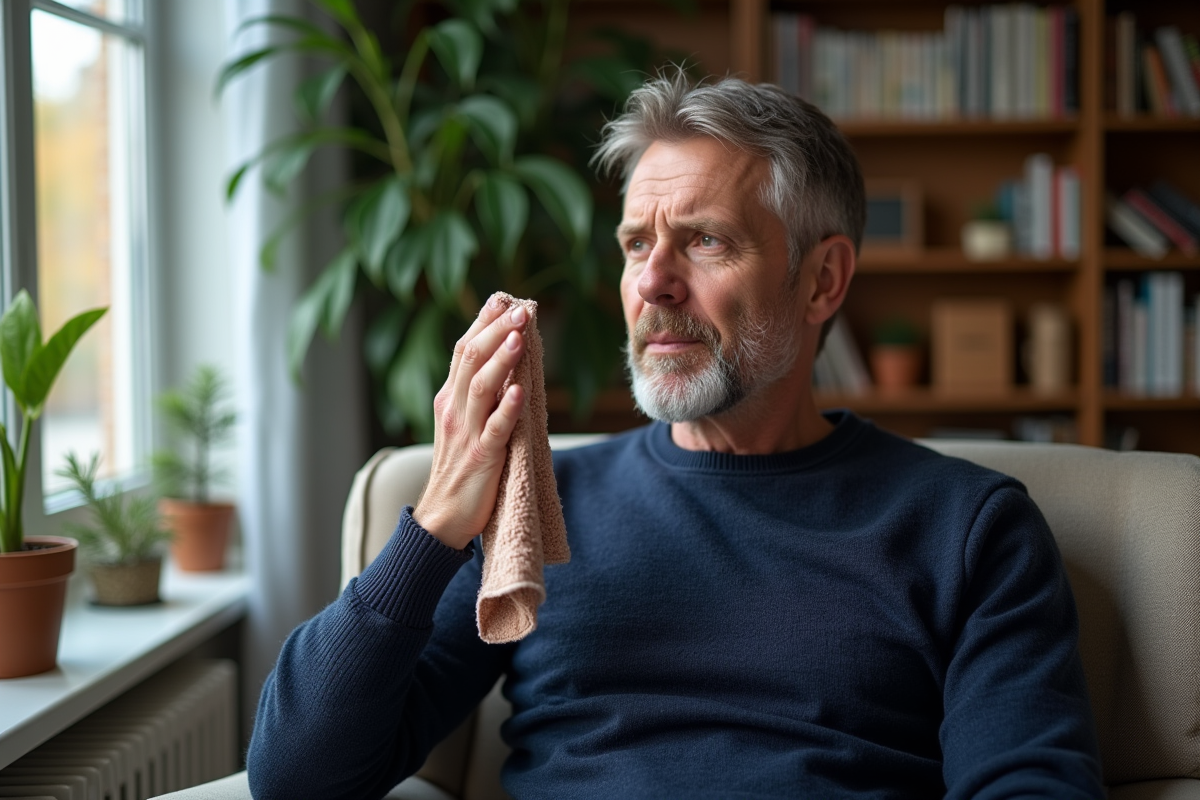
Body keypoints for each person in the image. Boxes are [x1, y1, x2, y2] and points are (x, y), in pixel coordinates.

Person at [247, 73, 1104, 799]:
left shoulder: (969, 529)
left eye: (705, 241)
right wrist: (437, 524)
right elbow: (297, 775)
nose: (652, 282)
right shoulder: (533, 513)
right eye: (634, 244)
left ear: (823, 280)